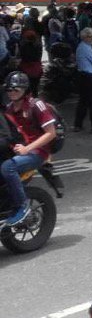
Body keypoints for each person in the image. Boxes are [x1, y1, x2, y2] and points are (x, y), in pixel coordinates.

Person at [1, 72, 58, 225]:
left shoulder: (36, 105)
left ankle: (22, 206)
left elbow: (50, 133)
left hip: (37, 152)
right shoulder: (8, 109)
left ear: (25, 90)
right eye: (9, 90)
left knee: (8, 167)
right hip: (17, 149)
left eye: (16, 89)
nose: (12, 92)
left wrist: (27, 149)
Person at [74, 27, 92, 133]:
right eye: (90, 36)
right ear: (85, 37)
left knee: (83, 101)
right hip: (89, 76)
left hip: (83, 75)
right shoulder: (86, 48)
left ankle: (78, 124)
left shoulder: (81, 47)